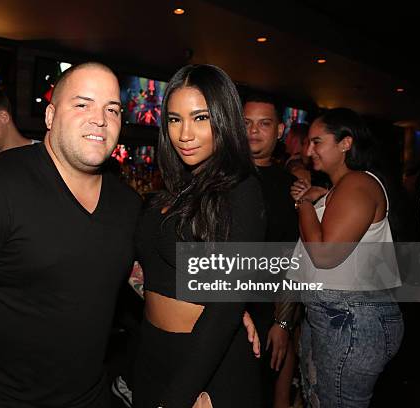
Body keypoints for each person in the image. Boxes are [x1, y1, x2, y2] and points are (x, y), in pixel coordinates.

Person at [0, 62, 143, 408]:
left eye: (112, 109)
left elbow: (145, 276)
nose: (100, 118)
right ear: (50, 116)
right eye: (82, 104)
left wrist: (223, 302)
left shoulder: (127, 203)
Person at [132, 64, 266, 407]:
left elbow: (225, 306)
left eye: (200, 118)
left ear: (224, 118)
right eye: (175, 120)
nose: (185, 134)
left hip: (206, 366)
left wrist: (181, 395)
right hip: (152, 351)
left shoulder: (241, 190)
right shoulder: (176, 188)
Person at [288, 108, 403, 407]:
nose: (308, 150)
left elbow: (324, 255)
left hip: (351, 318)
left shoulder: (358, 184)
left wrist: (303, 204)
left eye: (317, 141)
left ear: (345, 143)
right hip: (337, 315)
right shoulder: (340, 187)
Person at [243, 93, 301, 408]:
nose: (253, 131)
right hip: (219, 310)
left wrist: (282, 323)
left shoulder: (290, 186)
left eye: (263, 124)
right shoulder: (219, 178)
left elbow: (295, 260)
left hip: (267, 313)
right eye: (247, 123)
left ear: (279, 131)